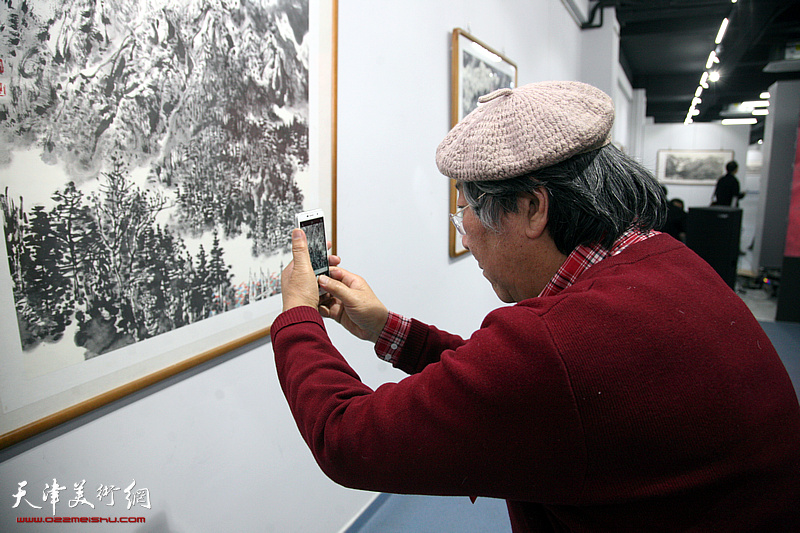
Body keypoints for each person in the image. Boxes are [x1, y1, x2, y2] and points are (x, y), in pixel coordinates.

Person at [272, 81, 800, 532]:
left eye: (466, 213)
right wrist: (390, 329)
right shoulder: (663, 258)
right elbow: (522, 389)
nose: (466, 236)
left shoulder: (560, 346)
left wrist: (296, 316)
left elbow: (346, 437)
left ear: (532, 208)